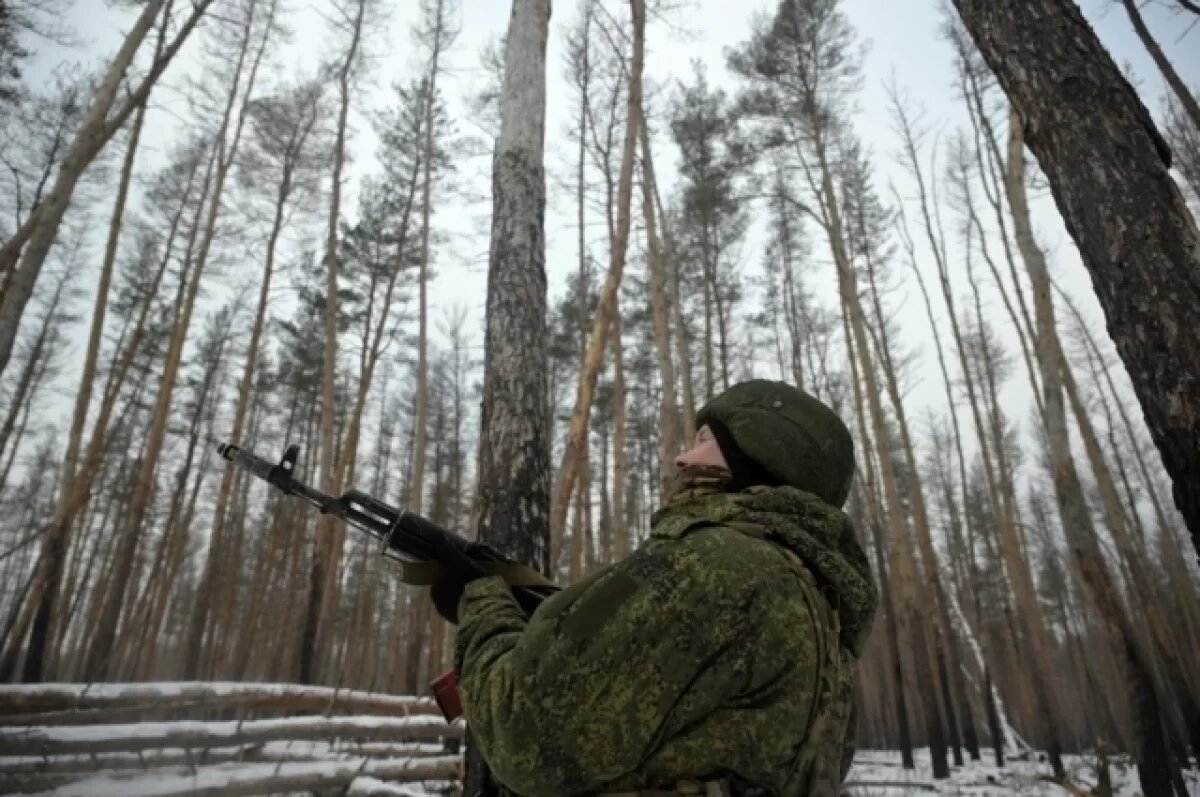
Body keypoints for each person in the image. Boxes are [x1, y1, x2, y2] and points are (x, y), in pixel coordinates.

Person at [430, 379, 878, 797]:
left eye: (704, 442)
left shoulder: (714, 562)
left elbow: (522, 730)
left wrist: (482, 600)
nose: (682, 458)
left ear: (758, 459)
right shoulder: (821, 610)